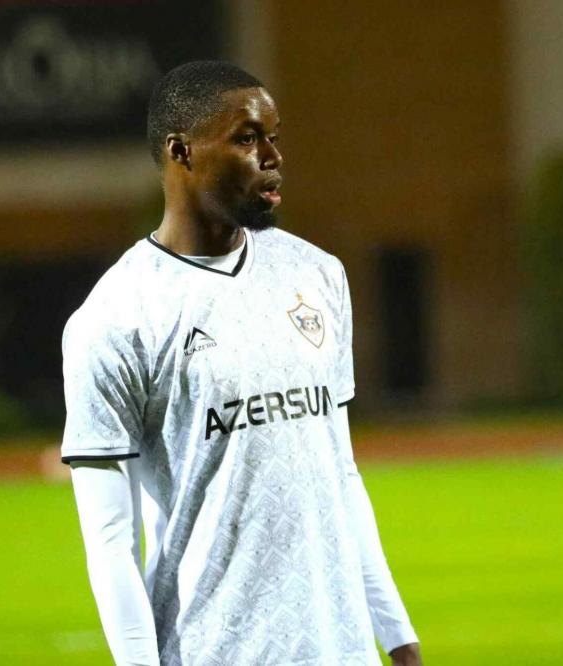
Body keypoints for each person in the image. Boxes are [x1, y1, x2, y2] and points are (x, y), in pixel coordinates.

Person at [61, 60, 421, 665]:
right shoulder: (117, 317)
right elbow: (110, 541)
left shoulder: (316, 274)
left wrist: (397, 632)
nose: (273, 156)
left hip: (341, 647)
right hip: (214, 649)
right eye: (247, 138)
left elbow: (340, 472)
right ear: (181, 151)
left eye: (273, 137)